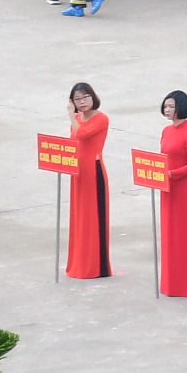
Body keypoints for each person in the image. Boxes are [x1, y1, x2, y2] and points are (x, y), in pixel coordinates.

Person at [154, 91, 187, 299]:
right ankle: (172, 280)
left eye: (171, 106)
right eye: (165, 106)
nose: (167, 110)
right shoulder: (166, 130)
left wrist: (170, 174)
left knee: (184, 234)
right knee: (170, 233)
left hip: (185, 187)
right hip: (168, 187)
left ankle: (186, 282)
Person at [64, 82, 111, 278]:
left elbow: (82, 134)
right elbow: (72, 142)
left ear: (93, 97)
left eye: (85, 97)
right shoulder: (76, 118)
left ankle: (95, 266)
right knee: (79, 218)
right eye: (77, 99)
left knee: (92, 219)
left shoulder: (101, 119)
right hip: (78, 174)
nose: (82, 102)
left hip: (93, 172)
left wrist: (71, 115)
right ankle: (79, 263)